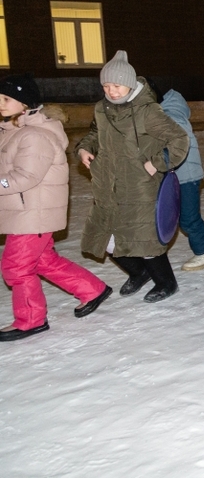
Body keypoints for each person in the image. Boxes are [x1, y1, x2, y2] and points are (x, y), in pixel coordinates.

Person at [0, 75, 112, 341]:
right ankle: (92, 289)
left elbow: (27, 176)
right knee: (44, 261)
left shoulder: (34, 135)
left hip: (34, 213)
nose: (0, 104)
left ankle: (30, 320)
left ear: (25, 105)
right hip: (25, 211)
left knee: (16, 266)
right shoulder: (11, 130)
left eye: (6, 99)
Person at [76, 51, 189, 303]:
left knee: (144, 239)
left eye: (116, 85)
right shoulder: (101, 109)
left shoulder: (147, 111)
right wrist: (84, 148)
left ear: (130, 83)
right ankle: (139, 273)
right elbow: (94, 134)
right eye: (106, 85)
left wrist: (157, 164)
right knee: (107, 237)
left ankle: (166, 282)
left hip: (140, 184)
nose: (111, 91)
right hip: (108, 182)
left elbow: (179, 139)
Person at [158, 88, 204, 271]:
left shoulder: (171, 116)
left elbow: (176, 146)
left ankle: (203, 253)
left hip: (186, 175)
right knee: (165, 215)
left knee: (188, 218)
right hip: (175, 174)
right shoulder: (167, 112)